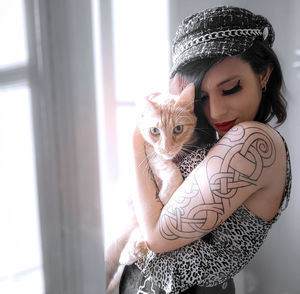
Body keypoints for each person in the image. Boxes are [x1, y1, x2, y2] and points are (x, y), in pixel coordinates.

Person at [118, 6, 292, 294]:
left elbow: (157, 236)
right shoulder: (215, 138)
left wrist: (137, 136)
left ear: (263, 75)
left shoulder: (252, 141)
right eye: (201, 96)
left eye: (231, 88)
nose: (216, 110)